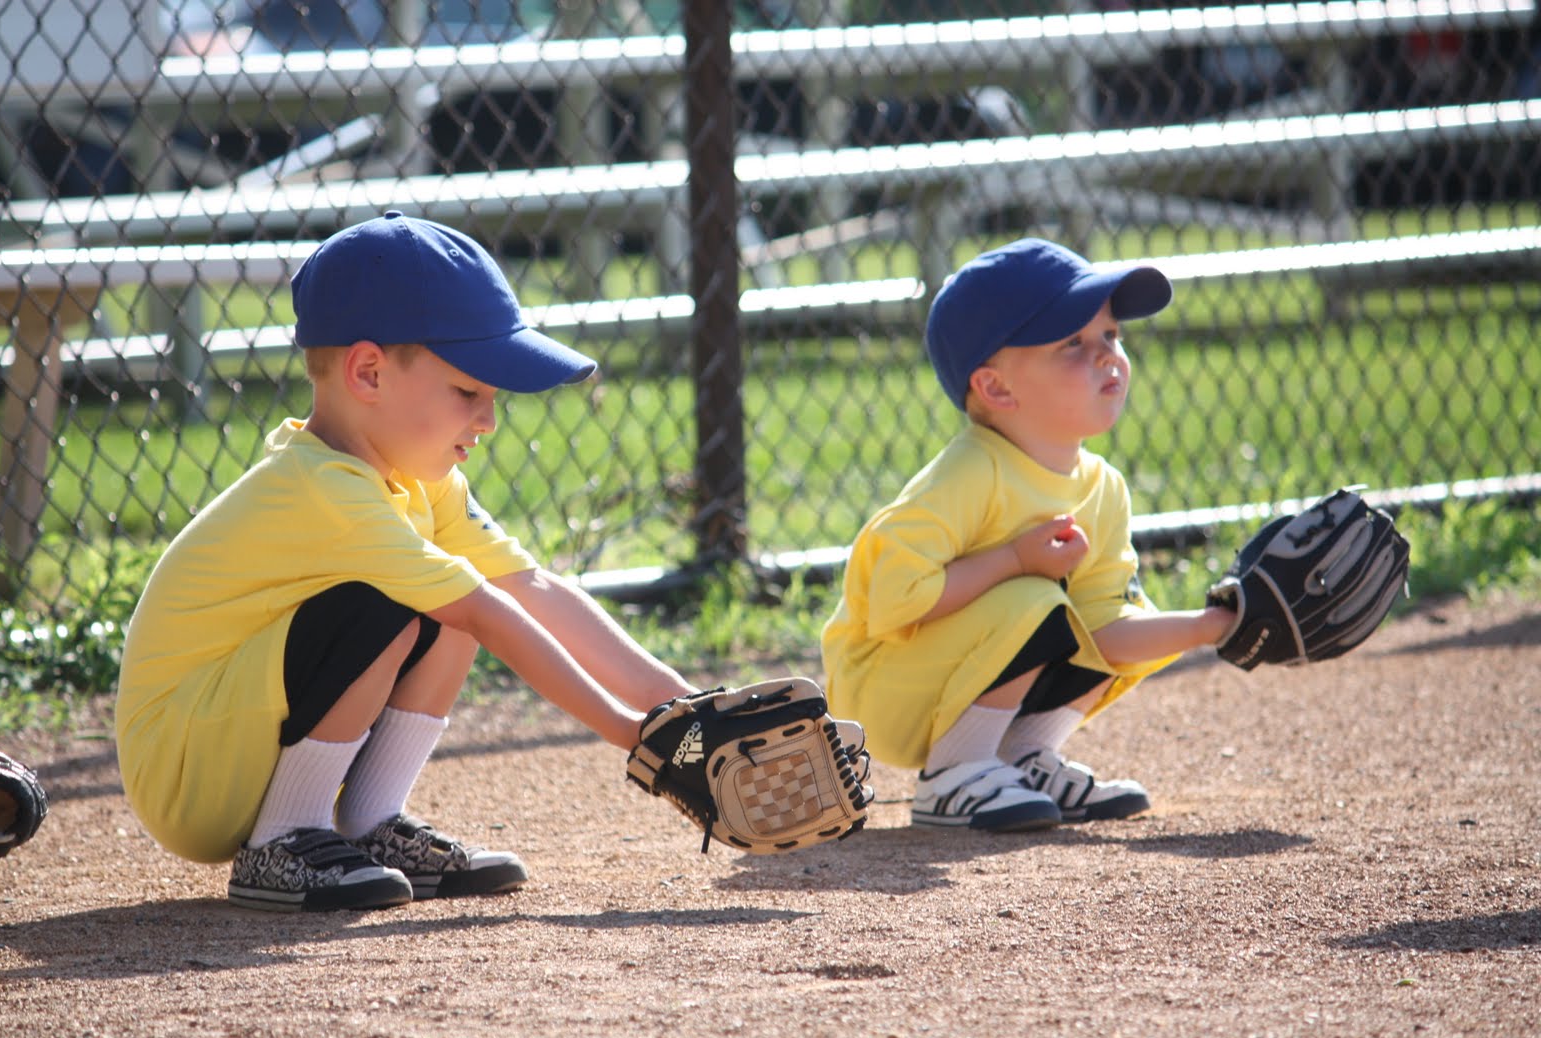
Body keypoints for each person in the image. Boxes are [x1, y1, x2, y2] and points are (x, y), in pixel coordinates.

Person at [116, 211, 698, 911]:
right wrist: (639, 740)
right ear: (368, 372)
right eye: (468, 391)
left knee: (458, 593)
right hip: (189, 764)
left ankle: (370, 825)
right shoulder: (323, 486)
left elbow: (530, 588)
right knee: (418, 597)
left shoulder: (423, 480)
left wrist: (682, 707)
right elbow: (487, 611)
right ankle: (284, 837)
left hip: (239, 737)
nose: (488, 421)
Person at [820, 238, 1236, 833]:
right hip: (883, 687)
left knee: (1118, 614)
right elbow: (892, 596)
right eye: (1073, 342)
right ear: (996, 389)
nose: (1107, 357)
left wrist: (1212, 625)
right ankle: (953, 774)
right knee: (1035, 599)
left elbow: (1105, 632)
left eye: (1111, 336)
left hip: (955, 672)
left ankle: (1022, 758)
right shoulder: (969, 472)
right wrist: (1013, 560)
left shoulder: (1103, 487)